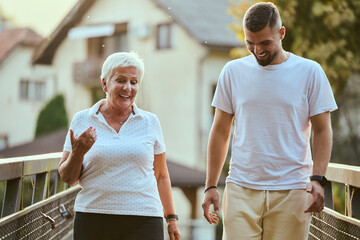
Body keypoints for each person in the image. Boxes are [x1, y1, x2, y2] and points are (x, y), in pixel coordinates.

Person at [201, 2, 337, 240]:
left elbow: (323, 130)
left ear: (281, 33)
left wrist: (318, 178)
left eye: (265, 43)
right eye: (250, 43)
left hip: (293, 190)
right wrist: (211, 185)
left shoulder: (310, 72)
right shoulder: (232, 72)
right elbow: (221, 131)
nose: (257, 50)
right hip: (241, 188)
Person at [58, 52, 180, 240]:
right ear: (105, 83)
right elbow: (68, 178)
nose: (128, 88)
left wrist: (171, 218)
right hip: (94, 217)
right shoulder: (82, 120)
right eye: (121, 80)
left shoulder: (150, 122)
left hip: (144, 219)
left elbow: (162, 175)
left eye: (134, 82)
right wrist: (78, 153)